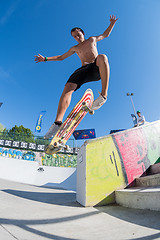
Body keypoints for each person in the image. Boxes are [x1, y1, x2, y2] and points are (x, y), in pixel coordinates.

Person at [35, 15, 118, 139]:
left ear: (83, 33)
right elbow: (61, 57)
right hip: (83, 70)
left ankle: (103, 96)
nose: (77, 37)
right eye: (74, 36)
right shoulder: (75, 48)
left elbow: (105, 35)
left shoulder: (92, 39)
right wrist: (45, 59)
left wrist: (111, 24)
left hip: (95, 68)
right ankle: (57, 123)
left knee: (103, 57)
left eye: (78, 34)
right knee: (68, 87)